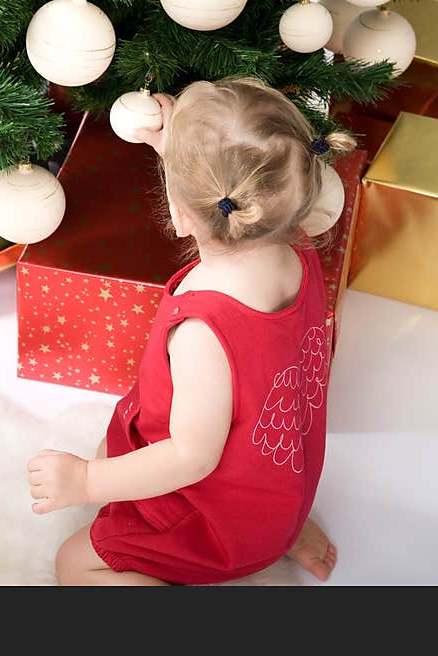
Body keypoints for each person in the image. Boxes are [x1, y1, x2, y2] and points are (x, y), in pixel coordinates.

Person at [27, 77, 351, 585]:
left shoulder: (205, 327)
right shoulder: (297, 249)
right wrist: (172, 144)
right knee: (116, 453)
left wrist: (85, 482)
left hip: (215, 520)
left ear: (177, 213)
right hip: (277, 480)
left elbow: (191, 457)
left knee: (75, 564)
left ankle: (258, 545)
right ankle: (286, 531)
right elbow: (231, 184)